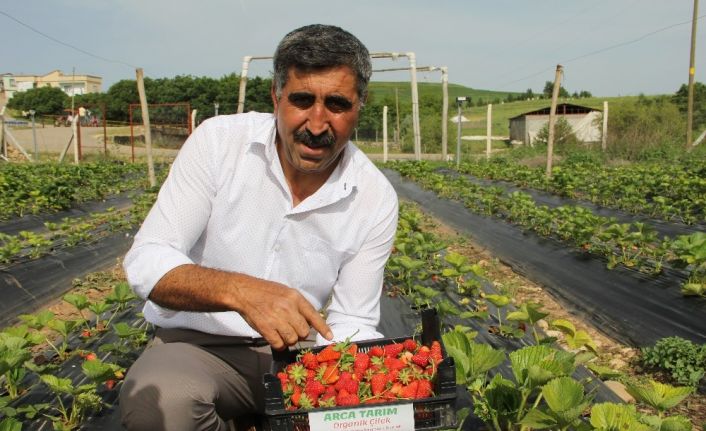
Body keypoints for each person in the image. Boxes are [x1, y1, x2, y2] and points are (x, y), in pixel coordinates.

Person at [119, 24, 398, 430]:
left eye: (337, 104)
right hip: (200, 344)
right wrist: (240, 292)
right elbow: (148, 260)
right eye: (302, 100)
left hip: (301, 355)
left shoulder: (374, 196)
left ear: (360, 105)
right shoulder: (219, 143)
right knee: (161, 407)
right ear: (275, 96)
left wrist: (369, 392)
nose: (317, 125)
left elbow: (353, 318)